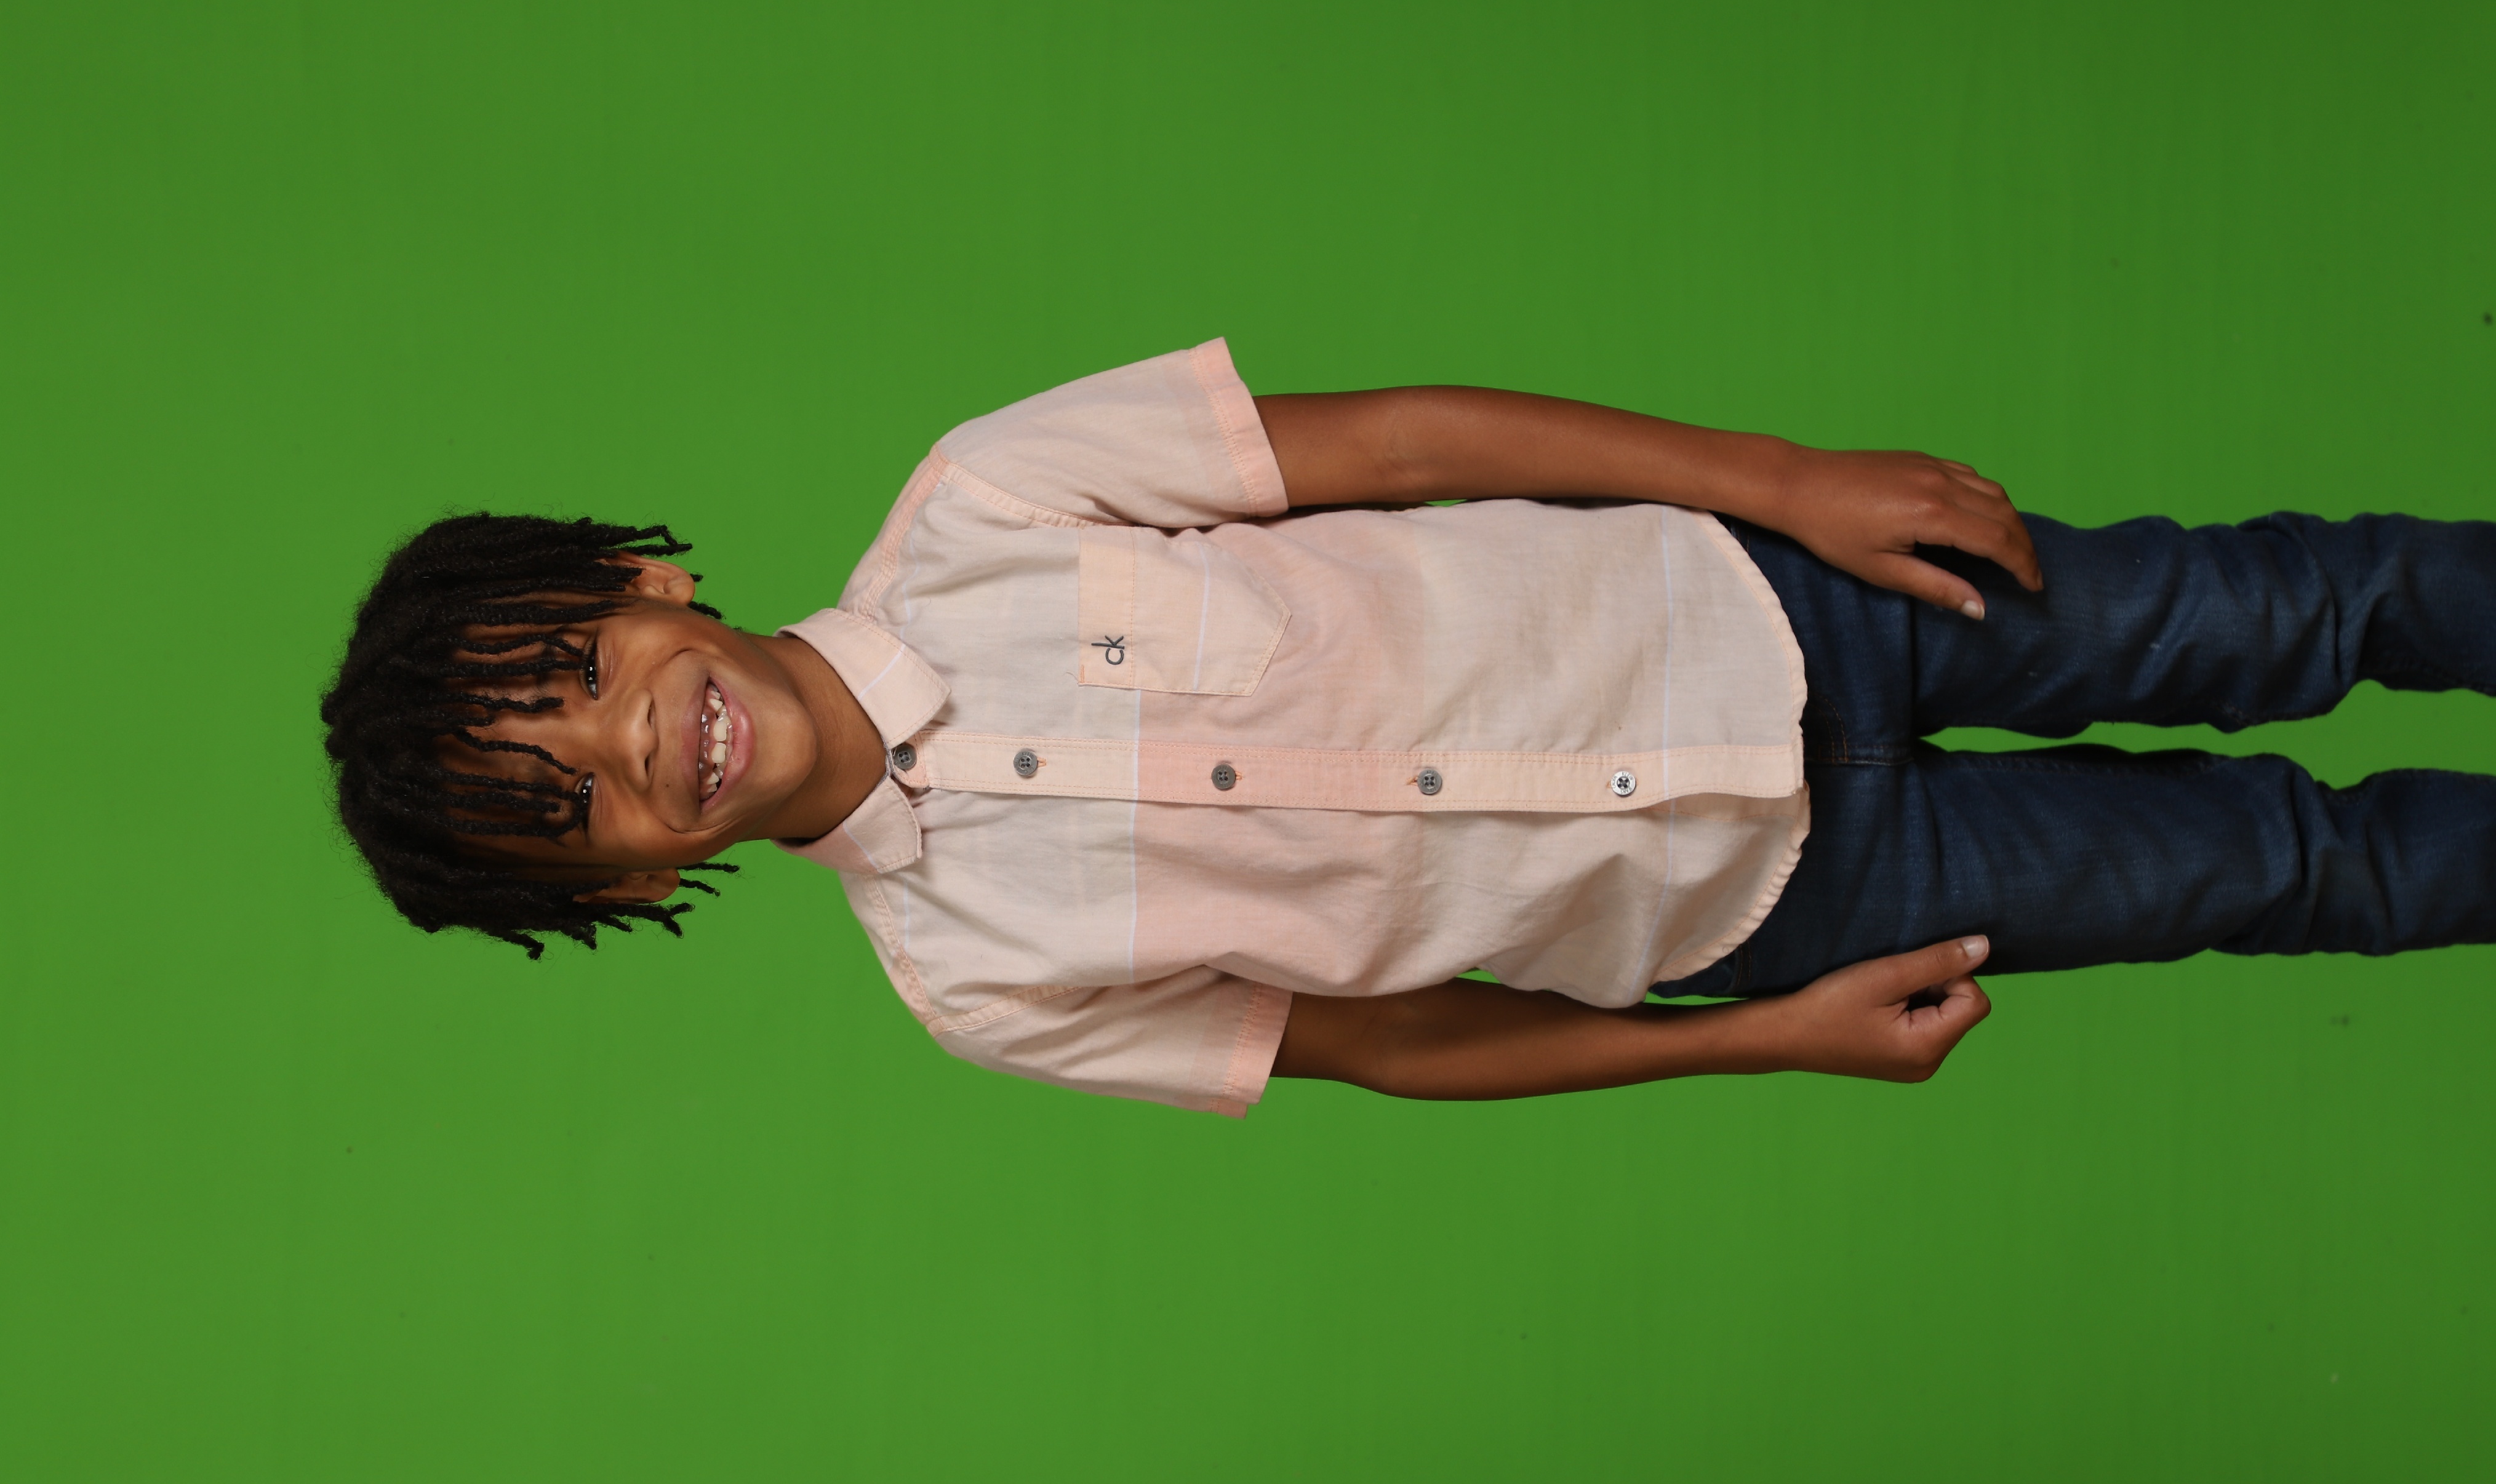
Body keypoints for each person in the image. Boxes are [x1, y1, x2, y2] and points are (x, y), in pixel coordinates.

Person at [321, 341, 2496, 1114]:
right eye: (569, 811)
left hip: (1778, 601)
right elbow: (1394, 1043)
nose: (633, 749)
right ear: (629, 890)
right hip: (1782, 905)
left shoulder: (988, 497)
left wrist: (1785, 480)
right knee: (2287, 870)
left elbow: (1409, 442)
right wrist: (1764, 1039)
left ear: (641, 581)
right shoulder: (978, 985)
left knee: (2293, 607)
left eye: (574, 681)